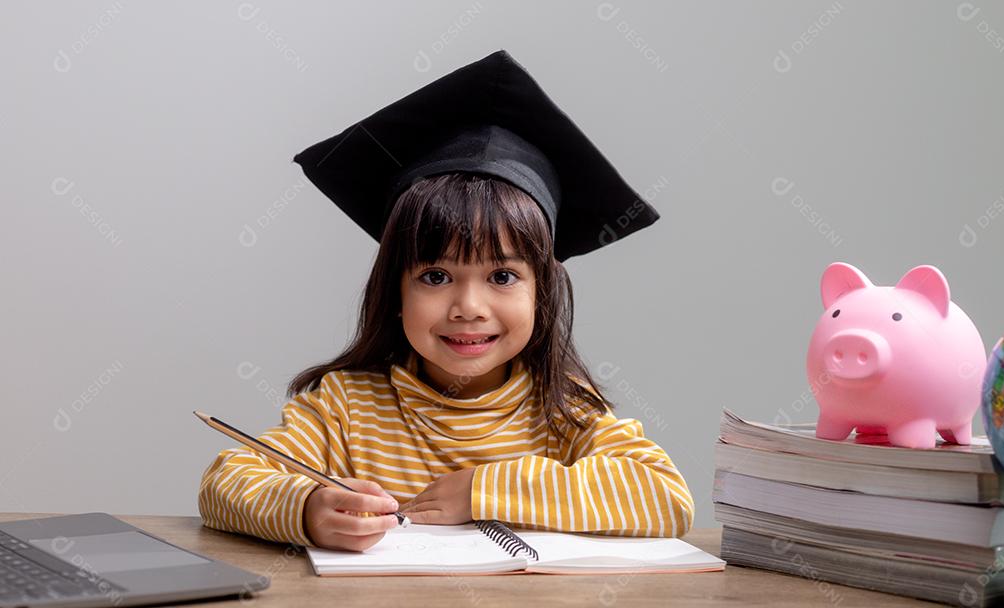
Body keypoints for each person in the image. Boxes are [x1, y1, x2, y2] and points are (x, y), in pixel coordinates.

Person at [197, 50, 693, 552]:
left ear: (542, 291)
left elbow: (667, 497)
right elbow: (224, 483)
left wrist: (484, 489)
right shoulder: (346, 407)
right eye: (435, 275)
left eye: (502, 275)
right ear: (394, 289)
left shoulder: (563, 410)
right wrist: (306, 509)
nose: (469, 307)